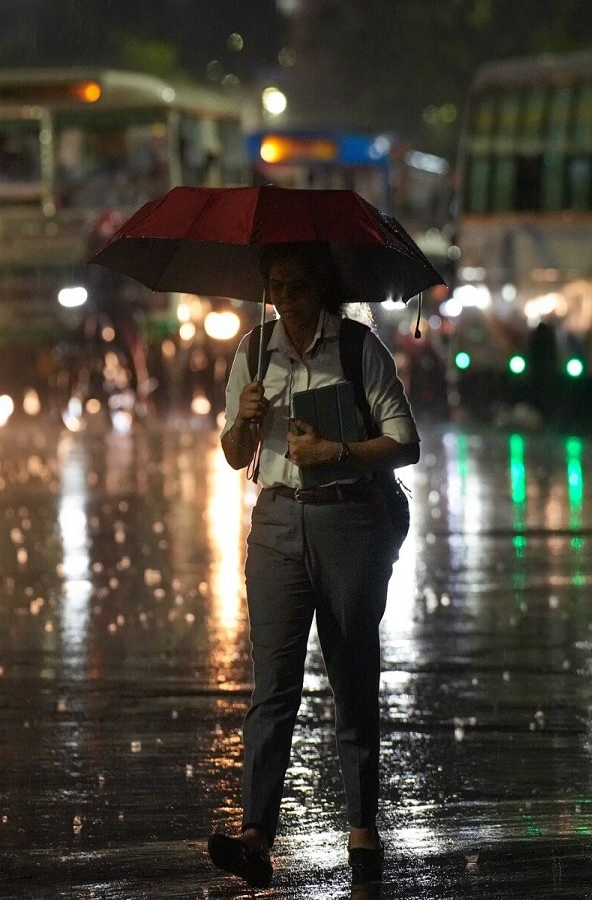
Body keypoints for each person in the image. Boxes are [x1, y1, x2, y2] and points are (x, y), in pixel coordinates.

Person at [208, 242, 420, 890]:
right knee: (273, 687)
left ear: (321, 290)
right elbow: (232, 452)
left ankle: (362, 830)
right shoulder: (253, 351)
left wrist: (338, 450)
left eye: (297, 287)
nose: (285, 299)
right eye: (275, 286)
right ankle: (255, 834)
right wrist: (244, 424)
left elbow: (405, 441)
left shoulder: (358, 349)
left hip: (349, 521)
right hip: (275, 523)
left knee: (353, 674)